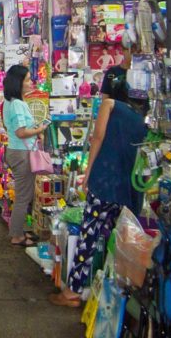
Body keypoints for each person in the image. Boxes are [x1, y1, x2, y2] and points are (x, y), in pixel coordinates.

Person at [52, 66, 147, 307]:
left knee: (89, 234)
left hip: (105, 179)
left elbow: (97, 137)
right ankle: (117, 297)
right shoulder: (143, 117)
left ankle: (73, 290)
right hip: (130, 187)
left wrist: (89, 171)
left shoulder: (110, 106)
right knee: (123, 240)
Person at [2, 65, 49, 249]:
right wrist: (39, 129)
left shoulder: (9, 102)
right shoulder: (18, 104)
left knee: (23, 195)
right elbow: (21, 132)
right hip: (21, 153)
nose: (31, 83)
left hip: (16, 151)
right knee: (23, 197)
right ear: (18, 82)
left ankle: (18, 231)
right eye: (28, 79)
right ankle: (16, 235)